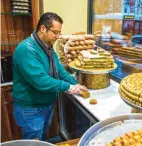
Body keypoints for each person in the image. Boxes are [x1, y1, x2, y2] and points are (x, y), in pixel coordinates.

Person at [12, 12, 87, 140]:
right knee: (34, 142)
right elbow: (41, 81)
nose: (58, 36)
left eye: (59, 33)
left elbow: (60, 71)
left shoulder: (47, 48)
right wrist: (68, 87)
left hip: (46, 104)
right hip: (31, 109)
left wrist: (75, 83)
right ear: (42, 28)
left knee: (42, 137)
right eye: (55, 32)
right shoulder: (26, 49)